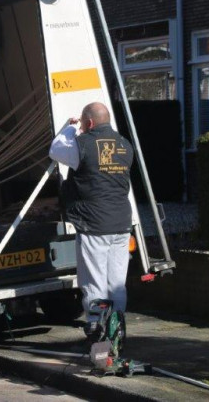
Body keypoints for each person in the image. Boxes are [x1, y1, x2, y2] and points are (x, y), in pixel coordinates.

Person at [49, 102, 134, 337]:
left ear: (89, 123)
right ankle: (118, 324)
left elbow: (56, 150)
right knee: (117, 279)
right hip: (121, 222)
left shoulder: (82, 144)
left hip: (94, 224)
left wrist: (69, 128)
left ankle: (96, 325)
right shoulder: (125, 145)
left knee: (93, 278)